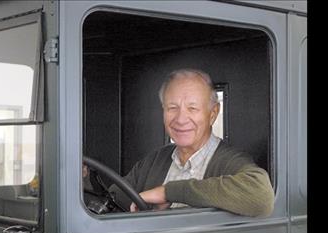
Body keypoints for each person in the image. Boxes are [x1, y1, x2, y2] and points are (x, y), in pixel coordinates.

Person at [105, 69, 274, 217]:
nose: (180, 119)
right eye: (172, 108)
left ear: (213, 113)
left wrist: (168, 192)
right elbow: (111, 201)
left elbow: (261, 197)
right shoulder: (154, 160)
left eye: (192, 108)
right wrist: (85, 182)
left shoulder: (230, 160)